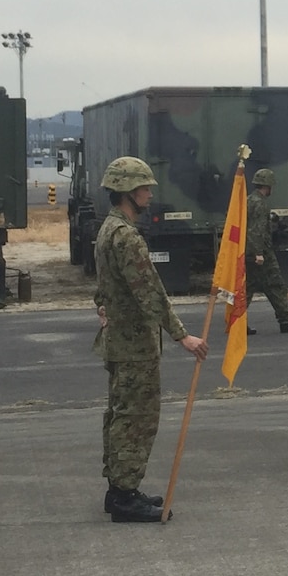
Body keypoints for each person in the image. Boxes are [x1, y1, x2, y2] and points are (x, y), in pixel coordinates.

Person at [91, 157, 207, 522]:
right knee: (136, 419)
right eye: (144, 187)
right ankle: (125, 497)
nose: (149, 193)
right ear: (127, 191)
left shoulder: (108, 229)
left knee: (121, 414)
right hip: (134, 346)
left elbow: (106, 286)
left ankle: (120, 489)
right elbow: (150, 292)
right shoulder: (126, 236)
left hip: (121, 343)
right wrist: (182, 336)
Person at [245, 169, 288, 334]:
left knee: (256, 287)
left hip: (252, 250)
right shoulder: (259, 203)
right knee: (273, 285)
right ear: (268, 185)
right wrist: (258, 253)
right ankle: (284, 319)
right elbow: (255, 230)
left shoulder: (251, 200)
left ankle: (284, 319)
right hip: (259, 251)